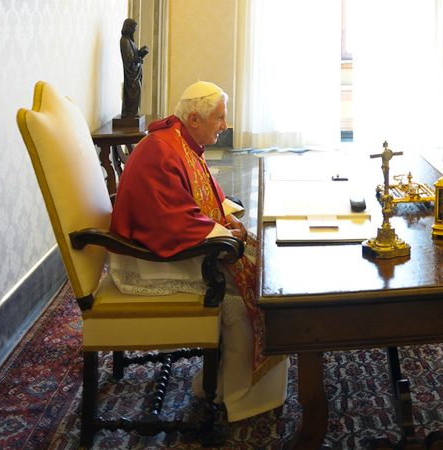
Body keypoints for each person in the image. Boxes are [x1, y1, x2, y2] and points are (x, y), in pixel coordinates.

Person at [108, 81, 289, 422]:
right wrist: (226, 235)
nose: (225, 125)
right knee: (243, 297)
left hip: (163, 242)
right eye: (219, 118)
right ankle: (237, 392)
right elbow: (172, 220)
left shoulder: (178, 138)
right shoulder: (162, 150)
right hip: (149, 259)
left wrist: (227, 223)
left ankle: (233, 379)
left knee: (263, 266)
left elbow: (195, 195)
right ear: (193, 118)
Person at [120, 18, 149, 118]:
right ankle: (129, 113)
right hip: (131, 75)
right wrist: (138, 57)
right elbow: (128, 59)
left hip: (136, 72)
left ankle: (133, 112)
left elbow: (134, 55)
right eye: (134, 28)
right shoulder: (124, 41)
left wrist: (141, 52)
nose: (135, 31)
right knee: (133, 92)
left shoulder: (130, 41)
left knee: (137, 92)